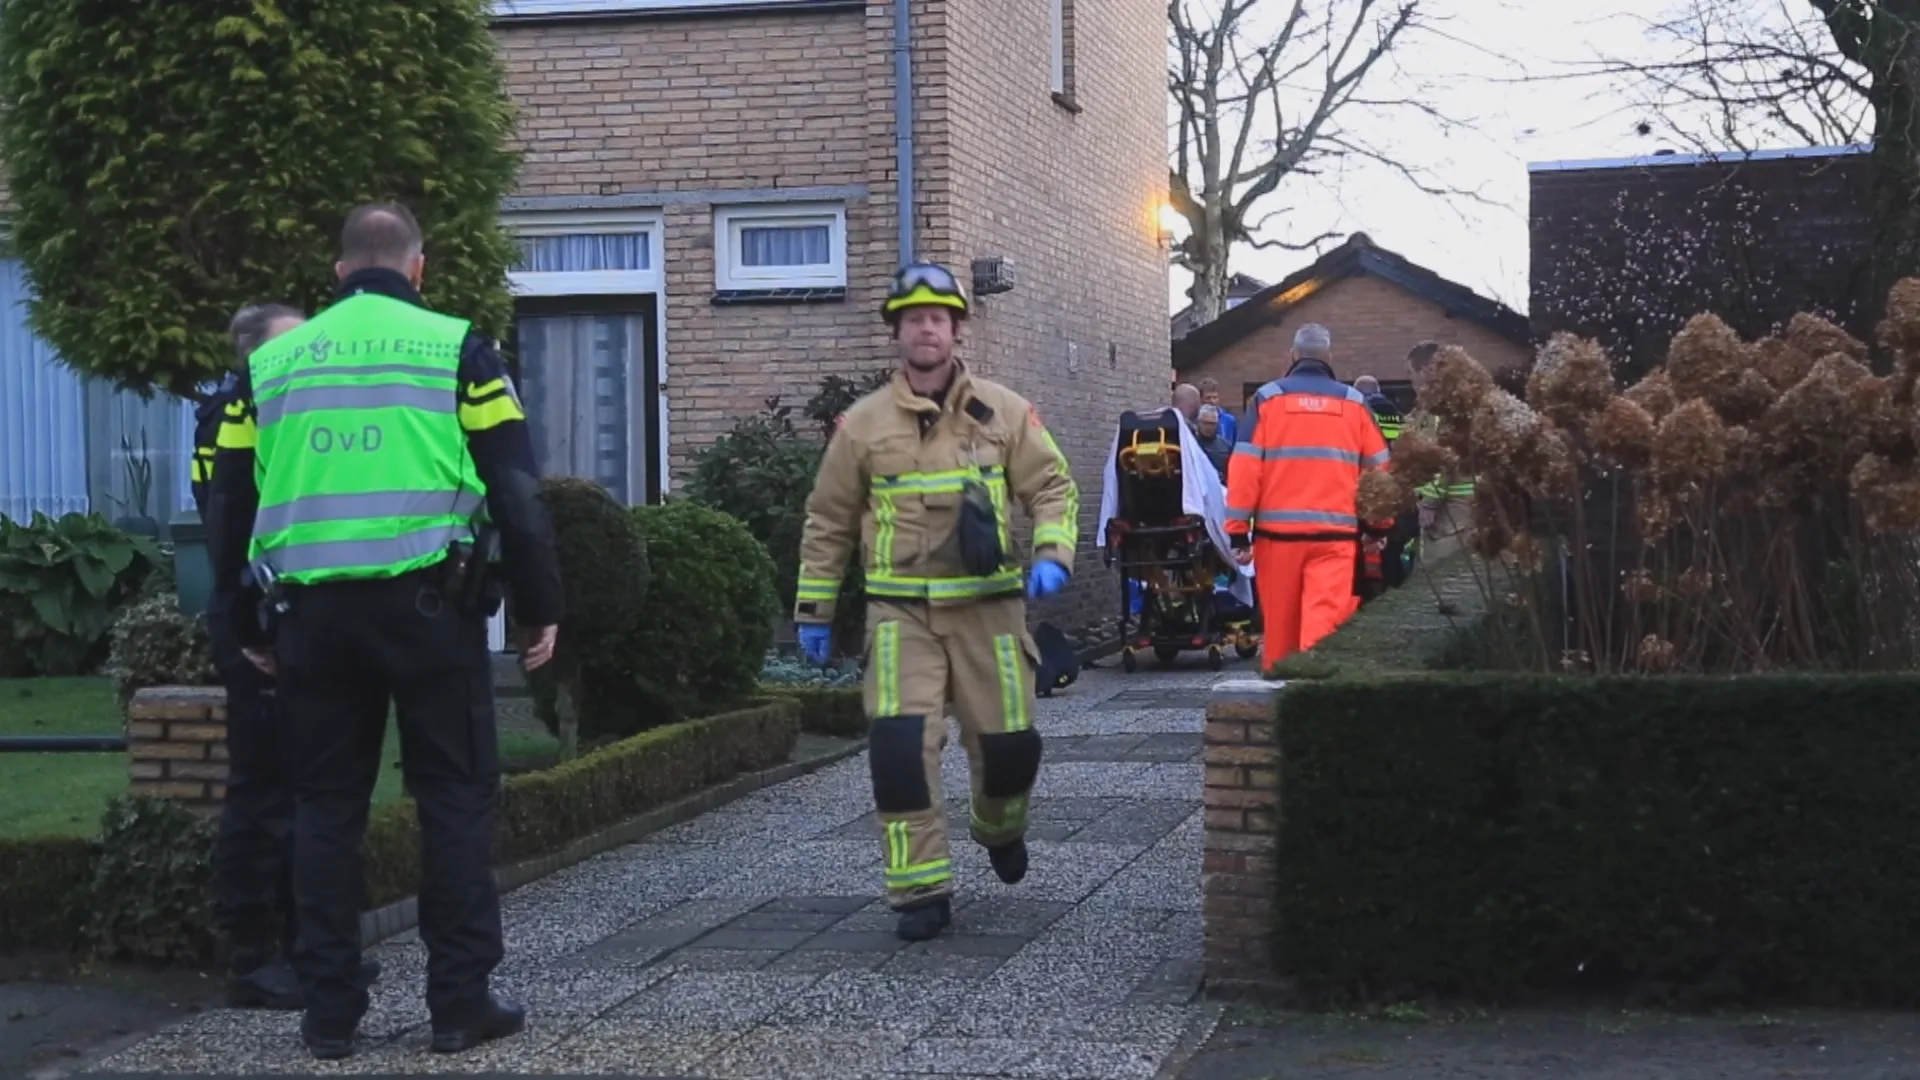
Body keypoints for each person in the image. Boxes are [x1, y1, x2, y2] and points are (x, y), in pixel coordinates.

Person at [205, 203, 566, 1062]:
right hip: (429, 614)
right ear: (418, 269)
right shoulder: (456, 348)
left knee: (325, 809)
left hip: (312, 621)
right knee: (452, 799)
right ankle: (459, 1003)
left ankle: (329, 1013)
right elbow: (515, 487)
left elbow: (228, 500)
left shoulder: (274, 361)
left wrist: (241, 614)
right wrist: (541, 601)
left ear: (337, 275)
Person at [792, 261, 1080, 942]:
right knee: (898, 750)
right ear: (897, 331)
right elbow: (827, 520)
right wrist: (815, 610)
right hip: (901, 618)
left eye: (938, 318)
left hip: (991, 612)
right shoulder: (861, 427)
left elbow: (1053, 490)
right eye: (914, 318)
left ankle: (998, 828)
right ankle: (919, 890)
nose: (927, 328)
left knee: (1010, 753)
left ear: (956, 330)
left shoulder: (1005, 413)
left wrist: (1051, 555)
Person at [191, 304, 382, 1012]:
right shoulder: (229, 420)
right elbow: (228, 523)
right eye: (292, 347)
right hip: (254, 619)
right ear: (254, 358)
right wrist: (253, 622)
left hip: (295, 617)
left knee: (312, 790)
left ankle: (314, 949)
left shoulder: (286, 414)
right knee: (262, 788)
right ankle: (252, 954)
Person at [1225, 323, 1390, 671]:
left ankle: (1279, 710)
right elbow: (1379, 473)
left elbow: (1244, 467)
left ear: (1292, 356)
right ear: (1330, 357)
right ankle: (1313, 707)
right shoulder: (1355, 404)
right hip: (1336, 538)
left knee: (1280, 636)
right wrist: (1378, 528)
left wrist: (1238, 532)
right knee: (1324, 630)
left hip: (1276, 541)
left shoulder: (1267, 399)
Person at [1406, 340, 1474, 562]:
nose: (1410, 381)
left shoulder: (1442, 407)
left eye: (1411, 373)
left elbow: (1441, 457)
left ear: (1424, 371)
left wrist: (1428, 503)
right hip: (1463, 509)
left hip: (1450, 514)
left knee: (1440, 571)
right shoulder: (1456, 401)